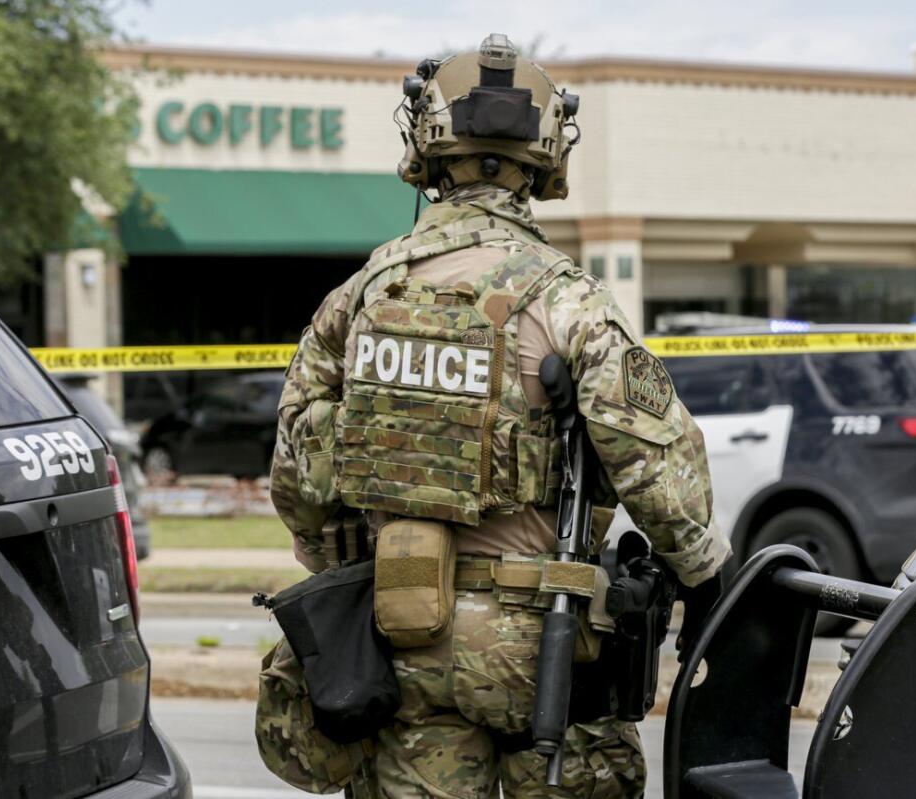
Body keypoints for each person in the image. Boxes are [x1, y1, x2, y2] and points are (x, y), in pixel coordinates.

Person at [268, 33, 730, 799]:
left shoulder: (358, 299)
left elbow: (297, 477)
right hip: (539, 648)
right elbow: (655, 459)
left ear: (427, 146)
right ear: (546, 154)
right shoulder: (566, 297)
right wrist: (706, 571)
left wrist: (349, 571)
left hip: (398, 632)